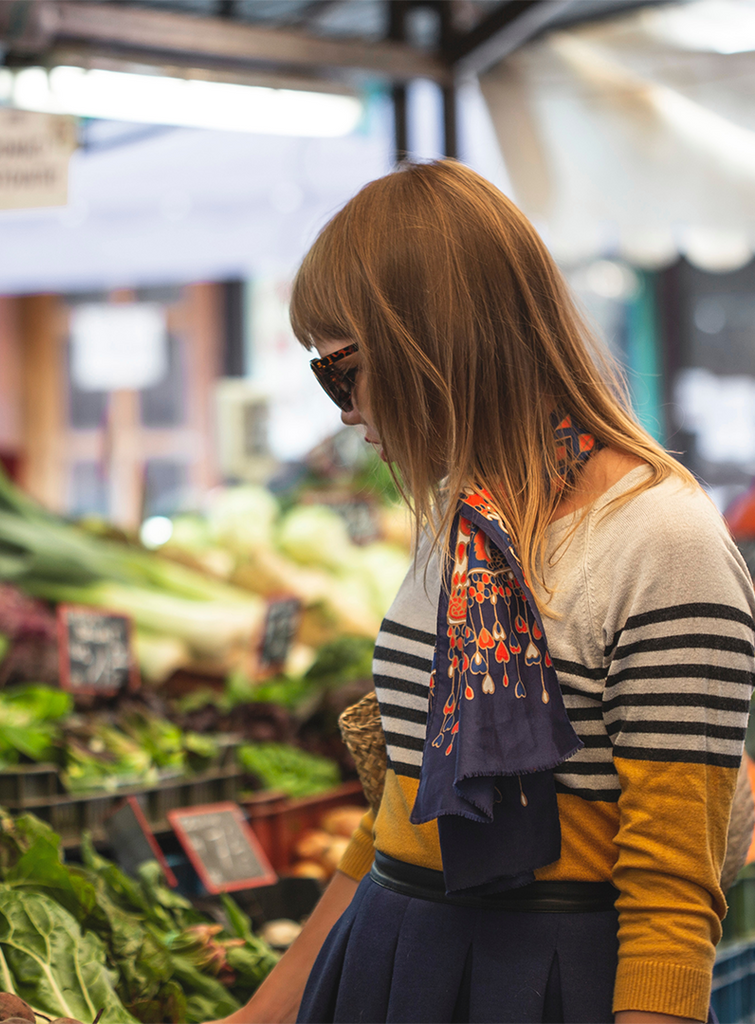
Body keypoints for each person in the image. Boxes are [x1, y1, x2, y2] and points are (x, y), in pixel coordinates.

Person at [223, 161, 755, 1024]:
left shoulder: (663, 542)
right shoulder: (465, 524)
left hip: (544, 980)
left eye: (340, 370)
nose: (346, 412)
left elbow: (671, 894)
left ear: (431, 345)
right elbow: (397, 810)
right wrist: (261, 1014)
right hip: (387, 957)